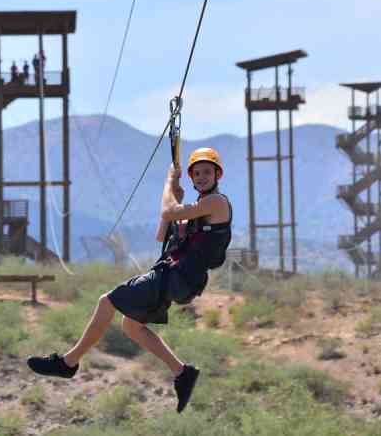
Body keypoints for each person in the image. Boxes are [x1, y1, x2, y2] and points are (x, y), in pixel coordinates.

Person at [27, 147, 232, 413]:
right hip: (174, 277)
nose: (202, 177)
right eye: (197, 173)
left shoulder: (216, 202)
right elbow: (162, 233)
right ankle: (182, 373)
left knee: (106, 301)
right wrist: (176, 200)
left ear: (218, 174)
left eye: (207, 172)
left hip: (178, 277)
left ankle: (67, 363)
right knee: (131, 325)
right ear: (191, 178)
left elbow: (169, 212)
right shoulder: (191, 211)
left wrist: (170, 183)